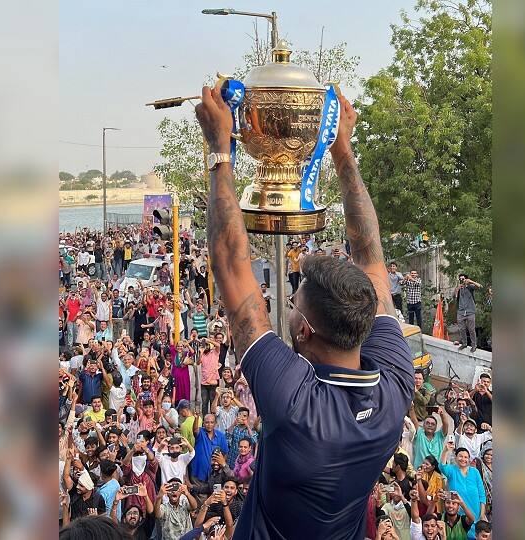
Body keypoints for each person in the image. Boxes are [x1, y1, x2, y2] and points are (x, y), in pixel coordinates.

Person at [195, 87, 414, 538]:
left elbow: (230, 267)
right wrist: (341, 148)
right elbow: (370, 252)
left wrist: (220, 151)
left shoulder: (297, 402)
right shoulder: (393, 385)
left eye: (292, 306)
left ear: (305, 330)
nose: (287, 312)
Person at [439, 442, 487, 537]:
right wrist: (445, 450)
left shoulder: (475, 472)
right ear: (456, 458)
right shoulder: (452, 470)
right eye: (460, 456)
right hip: (460, 516)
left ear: (469, 459)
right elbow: (442, 466)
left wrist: (482, 514)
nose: (463, 459)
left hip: (476, 513)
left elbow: (482, 494)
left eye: (466, 457)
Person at [191, 413, 228, 484]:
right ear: (203, 423)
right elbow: (195, 430)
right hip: (199, 473)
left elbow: (225, 453)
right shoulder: (200, 432)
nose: (209, 424)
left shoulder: (221, 436)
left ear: (215, 423)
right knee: (199, 493)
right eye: (207, 422)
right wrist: (196, 418)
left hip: (214, 475)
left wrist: (220, 467)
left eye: (212, 422)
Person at [454, 273, 482, 352]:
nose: (461, 280)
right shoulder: (459, 288)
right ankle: (464, 343)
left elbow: (480, 286)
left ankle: (474, 345)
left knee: (471, 329)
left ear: (466, 279)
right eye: (460, 279)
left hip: (470, 311)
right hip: (461, 312)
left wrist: (471, 281)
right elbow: (454, 296)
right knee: (462, 329)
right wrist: (457, 289)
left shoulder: (470, 287)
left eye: (463, 279)